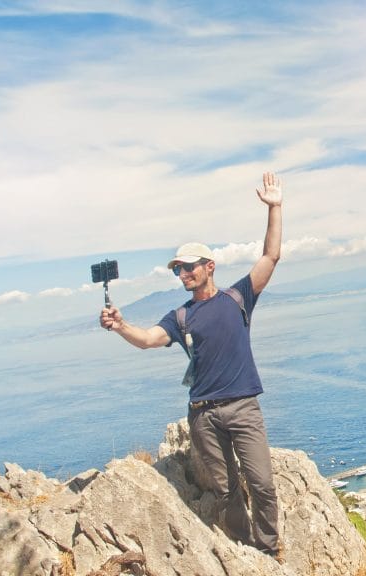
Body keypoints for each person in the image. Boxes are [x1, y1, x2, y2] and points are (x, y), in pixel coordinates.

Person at [99, 172, 283, 558]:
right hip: (202, 415)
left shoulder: (237, 298)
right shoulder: (180, 316)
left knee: (262, 483)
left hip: (243, 407)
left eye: (188, 267)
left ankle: (267, 549)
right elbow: (148, 340)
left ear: (209, 266)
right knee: (226, 489)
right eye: (177, 270)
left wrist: (274, 208)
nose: (182, 274)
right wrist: (120, 326)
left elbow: (270, 257)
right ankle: (242, 548)